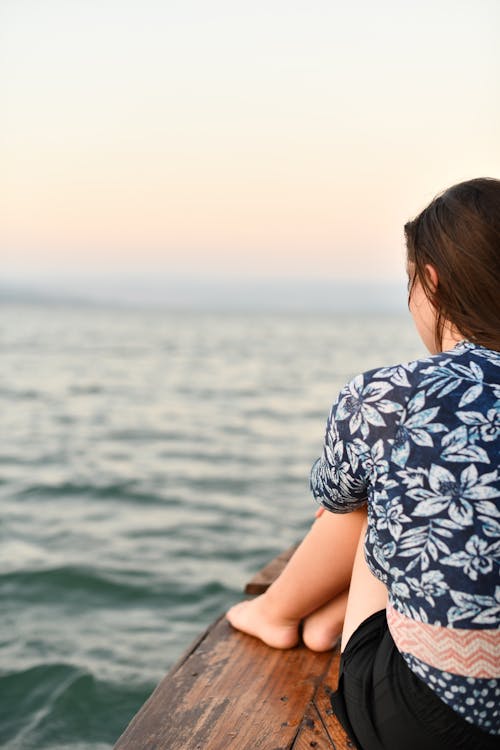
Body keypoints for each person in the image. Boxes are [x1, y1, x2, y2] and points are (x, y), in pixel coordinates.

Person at [226, 177, 500, 750]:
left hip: (422, 720)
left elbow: (333, 500)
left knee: (377, 487)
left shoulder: (392, 393)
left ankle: (276, 613)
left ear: (432, 280)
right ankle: (330, 617)